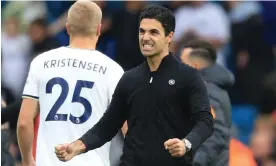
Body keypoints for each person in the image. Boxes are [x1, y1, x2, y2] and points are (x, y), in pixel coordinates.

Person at [55, 5, 214, 166]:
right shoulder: (129, 79)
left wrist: (186, 144)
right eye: (142, 31)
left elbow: (205, 121)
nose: (145, 38)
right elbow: (107, 125)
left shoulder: (188, 76)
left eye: (153, 32)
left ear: (169, 36)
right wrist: (77, 146)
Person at [17, 1, 126, 166]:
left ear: (67, 28)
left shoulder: (41, 62)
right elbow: (129, 130)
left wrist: (27, 160)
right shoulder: (113, 70)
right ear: (98, 28)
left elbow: (24, 123)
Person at [179, 39, 235, 166]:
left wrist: (197, 161)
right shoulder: (207, 88)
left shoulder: (207, 92)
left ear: (195, 66)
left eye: (182, 63)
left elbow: (215, 133)